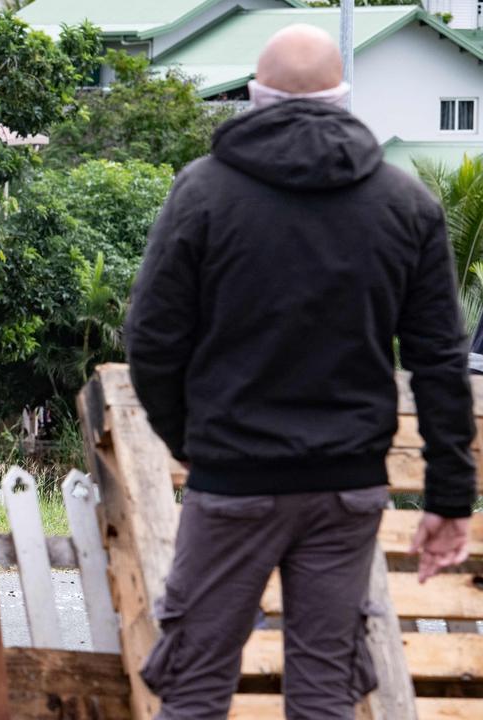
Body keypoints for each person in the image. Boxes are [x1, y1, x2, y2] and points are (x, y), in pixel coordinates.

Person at [125, 25, 477, 719]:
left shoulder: (201, 194)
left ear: (254, 98)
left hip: (232, 482)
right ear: (344, 100)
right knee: (325, 695)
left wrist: (190, 443)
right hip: (346, 488)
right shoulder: (404, 204)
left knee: (194, 689)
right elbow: (439, 359)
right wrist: (450, 496)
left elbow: (152, 343)